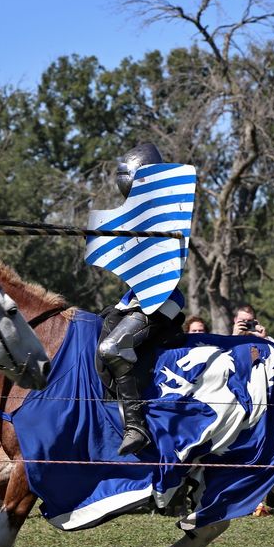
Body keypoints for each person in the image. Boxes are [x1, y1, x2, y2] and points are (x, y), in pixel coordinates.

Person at [95, 143, 187, 456]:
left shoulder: (168, 212)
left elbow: (164, 258)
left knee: (113, 347)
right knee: (99, 335)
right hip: (135, 298)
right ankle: (109, 414)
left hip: (162, 300)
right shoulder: (138, 217)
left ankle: (136, 426)